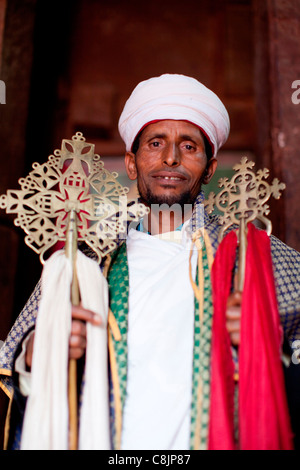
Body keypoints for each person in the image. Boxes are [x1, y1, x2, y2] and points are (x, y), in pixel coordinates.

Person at [0, 73, 300, 450]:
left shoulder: (258, 256)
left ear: (209, 167)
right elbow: (18, 363)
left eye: (188, 145)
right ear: (131, 162)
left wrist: (268, 342)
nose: (170, 158)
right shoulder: (85, 260)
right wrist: (42, 350)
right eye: (156, 143)